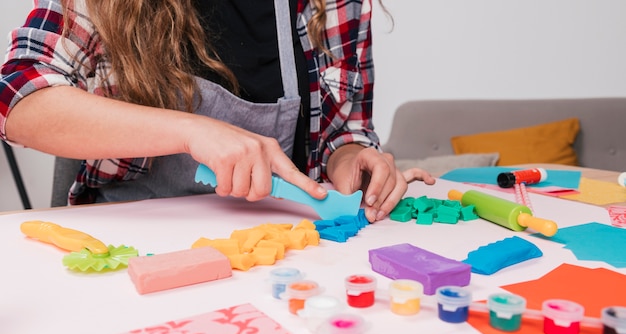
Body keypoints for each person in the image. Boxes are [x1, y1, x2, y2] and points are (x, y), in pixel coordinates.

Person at [0, 0, 434, 222]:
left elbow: (344, 131)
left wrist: (350, 157)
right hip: (141, 238)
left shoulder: (335, 4)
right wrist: (193, 132)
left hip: (280, 245)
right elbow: (16, 97)